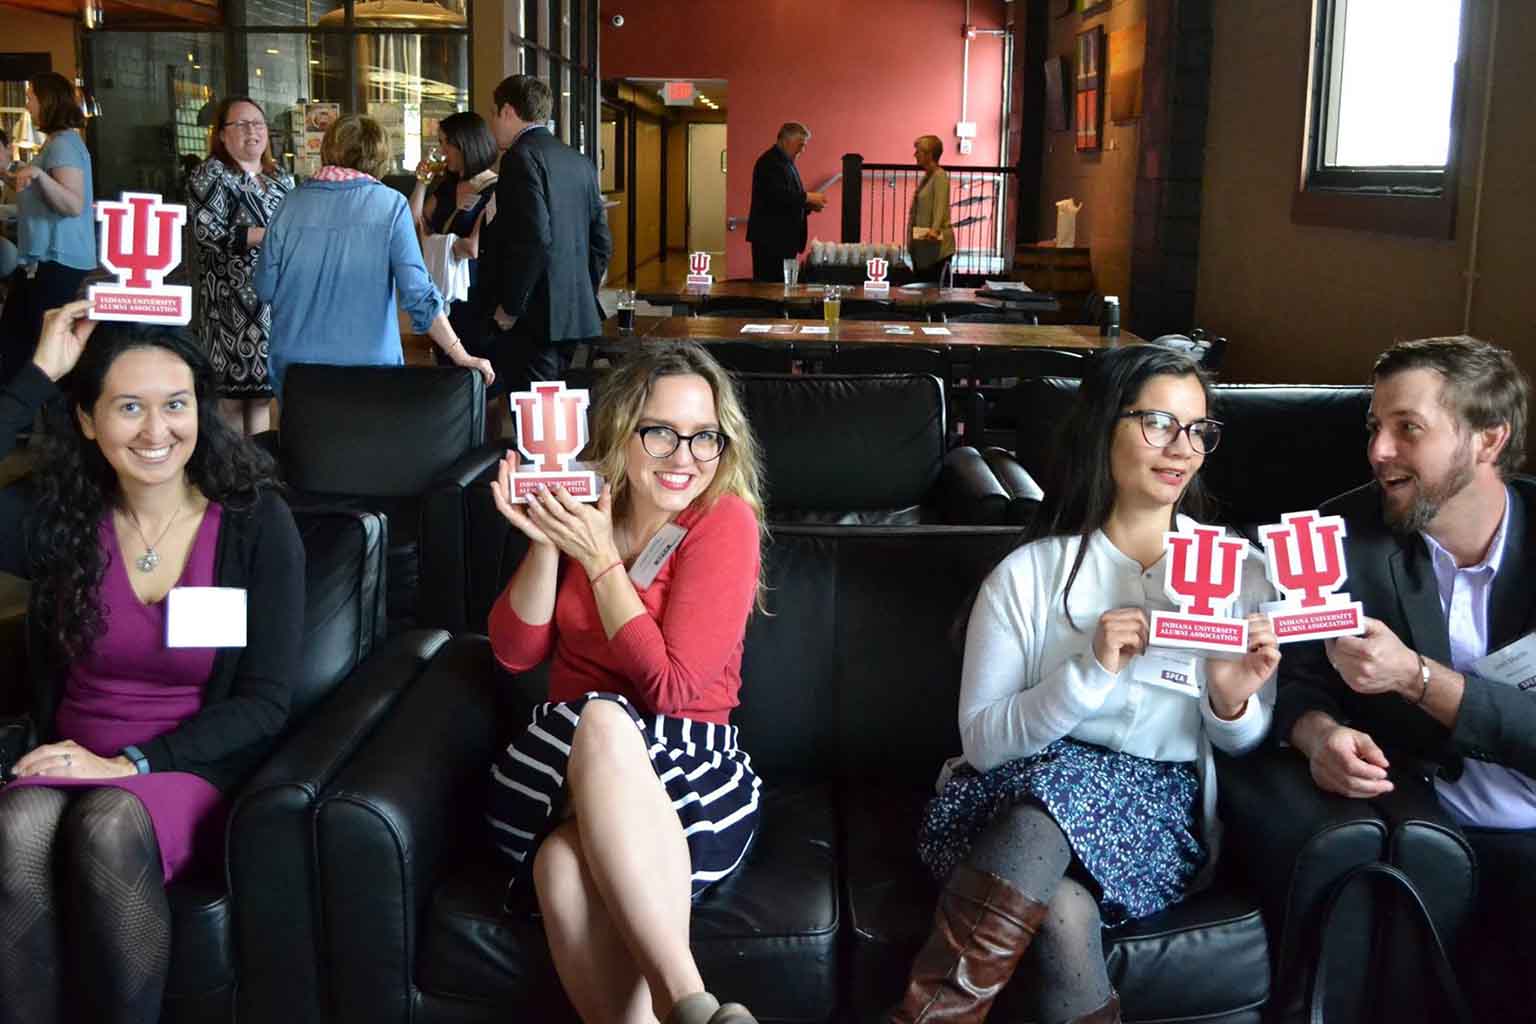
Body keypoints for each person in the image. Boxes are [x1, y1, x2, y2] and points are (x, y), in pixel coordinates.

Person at [891, 345, 1280, 1024]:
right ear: (1105, 428)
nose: (1180, 448)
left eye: (1197, 430)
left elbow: (1243, 739)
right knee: (1052, 819)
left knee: (1064, 905)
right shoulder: (1028, 575)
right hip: (1010, 798)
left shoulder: (1234, 572)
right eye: (1157, 422)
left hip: (1154, 820)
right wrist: (1089, 672)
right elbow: (983, 743)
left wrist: (1231, 695)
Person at [0, 300, 304, 1024]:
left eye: (176, 405)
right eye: (128, 407)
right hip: (67, 756)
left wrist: (132, 763)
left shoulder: (256, 523)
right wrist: (40, 371)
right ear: (86, 419)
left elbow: (265, 702)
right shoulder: (62, 516)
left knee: (106, 822)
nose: (156, 430)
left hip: (183, 769)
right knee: (16, 829)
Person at [484, 342, 766, 1024]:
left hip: (689, 762)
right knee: (600, 719)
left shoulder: (724, 521)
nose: (685, 456)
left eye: (705, 437)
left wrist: (602, 561)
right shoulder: (589, 508)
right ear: (620, 432)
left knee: (560, 865)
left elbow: (671, 689)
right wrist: (549, 539)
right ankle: (691, 1004)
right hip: (563, 759)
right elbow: (516, 652)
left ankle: (677, 1008)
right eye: (662, 432)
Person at [1272, 336, 1533, 1018]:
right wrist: (1317, 734)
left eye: (1407, 429)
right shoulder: (1333, 534)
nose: (1378, 451)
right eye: (1374, 427)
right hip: (1438, 828)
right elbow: (1291, 679)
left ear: (1487, 439)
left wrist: (1417, 677)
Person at [253, 114, 492, 399]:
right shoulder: (390, 206)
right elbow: (419, 295)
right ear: (379, 157)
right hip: (369, 368)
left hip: (296, 368)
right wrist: (460, 354)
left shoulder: (289, 204)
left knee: (303, 443)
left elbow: (264, 287)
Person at [482, 75, 611, 397]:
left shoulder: (520, 157)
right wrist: (582, 287)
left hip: (535, 313)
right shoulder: (579, 162)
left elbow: (533, 238)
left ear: (508, 111)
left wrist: (512, 305)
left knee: (535, 410)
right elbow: (601, 240)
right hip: (573, 310)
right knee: (558, 401)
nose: (494, 124)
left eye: (495, 114)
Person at [187, 96, 295, 434]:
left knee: (263, 396)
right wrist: (267, 235)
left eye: (259, 124)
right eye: (242, 124)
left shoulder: (282, 179)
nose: (253, 131)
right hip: (229, 306)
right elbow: (207, 230)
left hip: (272, 305)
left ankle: (258, 473)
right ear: (222, 135)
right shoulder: (210, 174)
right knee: (232, 400)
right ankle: (231, 475)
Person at [0, 73, 95, 388]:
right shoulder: (55, 144)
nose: (27, 104)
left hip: (57, 260)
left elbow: (72, 204)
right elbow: (30, 186)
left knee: (31, 345)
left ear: (48, 100)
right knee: (17, 339)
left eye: (31, 97)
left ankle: (32, 421)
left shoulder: (64, 145)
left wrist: (39, 176)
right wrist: (6, 171)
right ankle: (22, 419)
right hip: (43, 260)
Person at [408, 112, 500, 382]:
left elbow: (472, 247)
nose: (441, 151)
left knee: (481, 379)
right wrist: (422, 181)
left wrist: (433, 240)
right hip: (443, 296)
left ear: (465, 144)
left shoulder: (493, 189)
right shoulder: (446, 188)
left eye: (445, 143)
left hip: (476, 297)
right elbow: (413, 226)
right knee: (447, 374)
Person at [746, 122, 826, 283]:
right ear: (785, 140)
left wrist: (808, 206)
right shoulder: (769, 162)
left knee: (783, 287)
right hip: (771, 240)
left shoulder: (786, 162)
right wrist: (808, 198)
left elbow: (785, 201)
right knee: (770, 289)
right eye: (800, 145)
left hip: (782, 240)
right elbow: (778, 195)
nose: (802, 150)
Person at [907, 135, 954, 284]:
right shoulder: (927, 177)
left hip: (935, 248)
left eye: (918, 151)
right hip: (923, 247)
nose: (915, 154)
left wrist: (934, 230)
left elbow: (940, 206)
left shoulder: (940, 176)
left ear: (929, 154)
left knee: (932, 293)